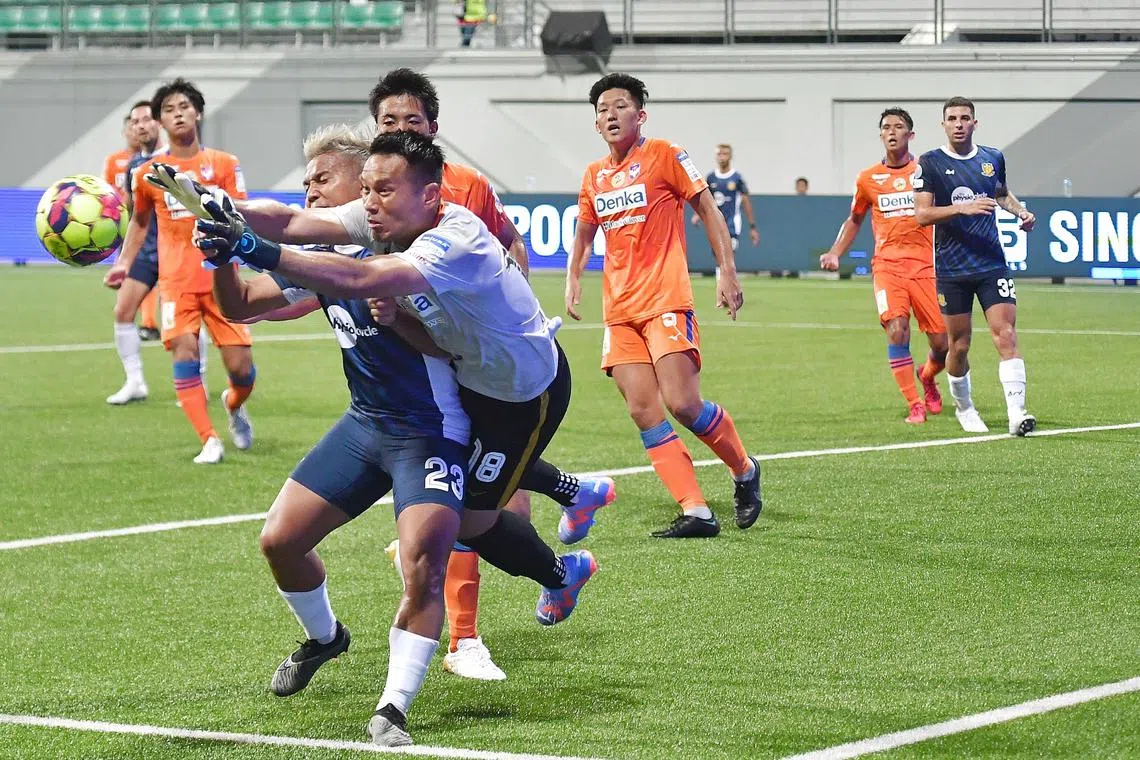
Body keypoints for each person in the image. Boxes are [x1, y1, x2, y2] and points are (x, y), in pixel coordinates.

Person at [167, 130, 599, 747]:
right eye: (362, 188)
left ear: (424, 191)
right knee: (279, 540)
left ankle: (394, 708)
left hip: (489, 403)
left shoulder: (446, 239)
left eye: (334, 180)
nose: (327, 193)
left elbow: (360, 278)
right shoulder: (353, 234)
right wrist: (218, 227)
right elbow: (260, 278)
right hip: (370, 421)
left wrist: (254, 246)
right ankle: (325, 638)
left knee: (442, 544)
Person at [230, 68, 613, 680]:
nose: (398, 133)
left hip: (521, 390)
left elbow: (363, 278)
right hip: (444, 386)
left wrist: (255, 249)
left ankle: (486, 622)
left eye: (410, 124)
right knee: (460, 514)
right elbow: (292, 247)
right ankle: (564, 525)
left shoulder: (448, 221)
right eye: (388, 124)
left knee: (469, 518)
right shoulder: (372, 214)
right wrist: (226, 213)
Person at [567, 72, 761, 539]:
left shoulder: (665, 154)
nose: (611, 115)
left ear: (640, 114)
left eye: (620, 106)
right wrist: (573, 278)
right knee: (643, 410)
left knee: (683, 403)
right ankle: (695, 509)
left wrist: (726, 270)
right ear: (595, 124)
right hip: (620, 312)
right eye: (603, 110)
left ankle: (744, 469)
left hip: (666, 299)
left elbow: (708, 210)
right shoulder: (594, 175)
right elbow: (585, 234)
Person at [104, 78, 257, 463]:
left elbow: (243, 212)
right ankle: (209, 440)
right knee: (184, 353)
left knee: (243, 371)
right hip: (175, 283)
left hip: (223, 280)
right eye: (168, 110)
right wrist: (123, 264)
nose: (177, 114)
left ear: (198, 113)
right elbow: (139, 223)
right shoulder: (147, 173)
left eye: (184, 107)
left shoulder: (224, 163)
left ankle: (234, 405)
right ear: (159, 122)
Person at [913, 96, 1036, 436]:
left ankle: (1017, 413)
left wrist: (1021, 212)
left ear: (974, 123)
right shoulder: (931, 163)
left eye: (964, 118)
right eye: (952, 118)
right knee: (960, 345)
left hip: (991, 263)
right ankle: (965, 407)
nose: (958, 123)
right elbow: (922, 215)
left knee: (1006, 334)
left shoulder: (992, 157)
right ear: (943, 125)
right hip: (952, 268)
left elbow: (1000, 193)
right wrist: (960, 210)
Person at [820, 107, 948, 424]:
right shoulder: (868, 179)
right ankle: (914, 404)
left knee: (943, 343)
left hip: (926, 268)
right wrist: (836, 251)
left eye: (899, 126)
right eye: (886, 127)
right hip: (888, 268)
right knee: (897, 329)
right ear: (881, 135)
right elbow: (854, 219)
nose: (892, 131)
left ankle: (928, 376)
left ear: (911, 135)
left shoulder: (927, 172)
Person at [103, 109, 161, 344]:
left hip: (172, 247)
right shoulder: (130, 164)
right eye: (135, 122)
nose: (139, 127)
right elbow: (130, 207)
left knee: (182, 320)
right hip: (143, 247)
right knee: (122, 310)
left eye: (146, 120)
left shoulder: (172, 159)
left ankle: (150, 323)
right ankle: (135, 380)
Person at [691, 144, 759, 253]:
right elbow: (706, 199)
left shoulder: (737, 178)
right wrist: (696, 215)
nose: (722, 157)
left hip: (732, 224)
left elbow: (746, 202)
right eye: (719, 154)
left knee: (728, 254)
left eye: (725, 154)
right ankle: (721, 270)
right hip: (715, 223)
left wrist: (752, 227)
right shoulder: (711, 177)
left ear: (730, 156)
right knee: (718, 255)